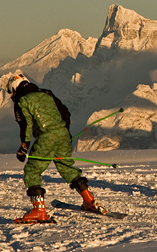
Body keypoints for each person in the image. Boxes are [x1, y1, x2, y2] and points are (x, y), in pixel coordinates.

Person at [7, 70, 107, 223]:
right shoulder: (47, 93)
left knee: (32, 170)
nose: (12, 96)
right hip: (63, 135)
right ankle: (89, 200)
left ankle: (39, 211)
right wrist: (62, 131)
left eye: (11, 93)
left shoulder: (22, 101)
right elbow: (65, 112)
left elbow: (25, 125)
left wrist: (23, 147)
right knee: (66, 167)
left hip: (47, 137)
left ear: (14, 88)